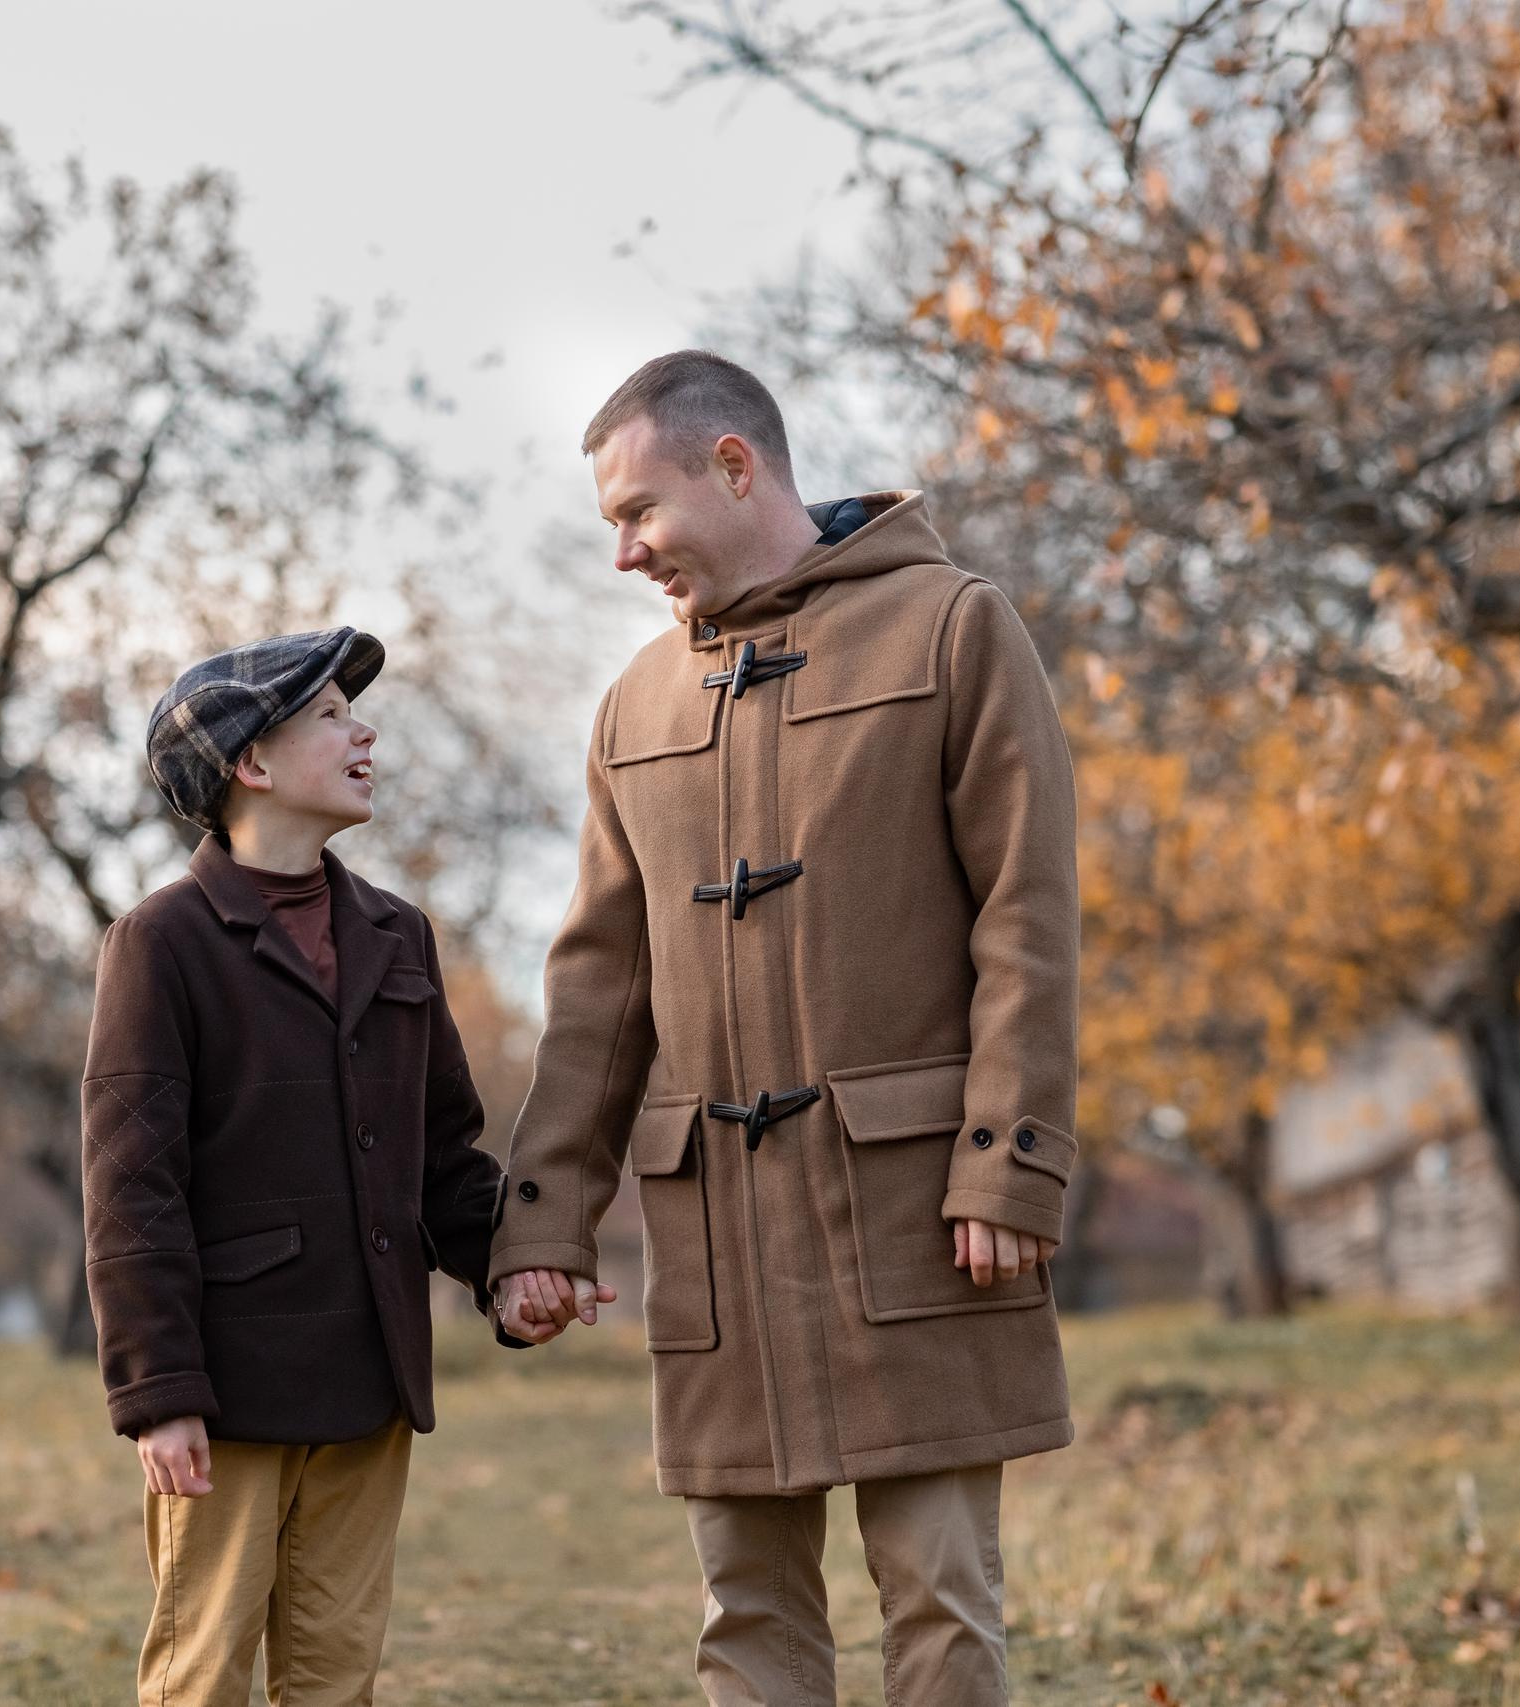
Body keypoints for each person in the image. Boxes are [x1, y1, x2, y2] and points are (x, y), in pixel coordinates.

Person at [490, 351, 1080, 1706]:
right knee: (743, 1610)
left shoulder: (953, 629)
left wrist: (1009, 1163)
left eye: (638, 512)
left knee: (938, 1594)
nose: (626, 552)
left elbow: (1028, 920)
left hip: (916, 1215)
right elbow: (598, 991)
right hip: (719, 1241)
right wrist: (544, 1222)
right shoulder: (636, 706)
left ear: (734, 466)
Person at [83, 627, 513, 1707]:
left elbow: (444, 1157)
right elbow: (132, 1191)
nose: (364, 734)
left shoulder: (399, 933)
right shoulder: (160, 942)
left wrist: (515, 1266)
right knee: (201, 1678)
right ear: (252, 764)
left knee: (336, 1682)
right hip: (227, 1394)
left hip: (371, 1380)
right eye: (330, 716)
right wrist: (158, 1392)